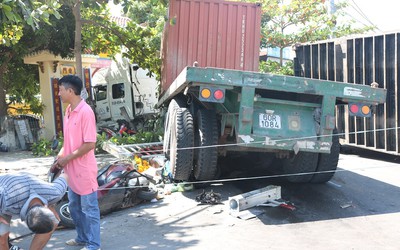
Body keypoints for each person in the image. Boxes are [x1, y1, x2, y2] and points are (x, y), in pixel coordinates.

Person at [54, 75, 101, 250]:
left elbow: (90, 144)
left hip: (84, 170)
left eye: (61, 90)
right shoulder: (68, 112)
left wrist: (67, 158)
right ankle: (82, 237)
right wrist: (60, 156)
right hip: (71, 170)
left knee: (90, 210)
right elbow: (69, 141)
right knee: (74, 207)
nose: (59, 94)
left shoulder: (86, 112)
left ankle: (94, 245)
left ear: (71, 91)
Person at [0, 172, 68, 250]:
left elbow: (65, 173)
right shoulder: (6, 199)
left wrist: (52, 205)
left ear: (46, 207)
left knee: (54, 221)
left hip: (30, 186)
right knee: (2, 236)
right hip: (6, 189)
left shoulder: (56, 192)